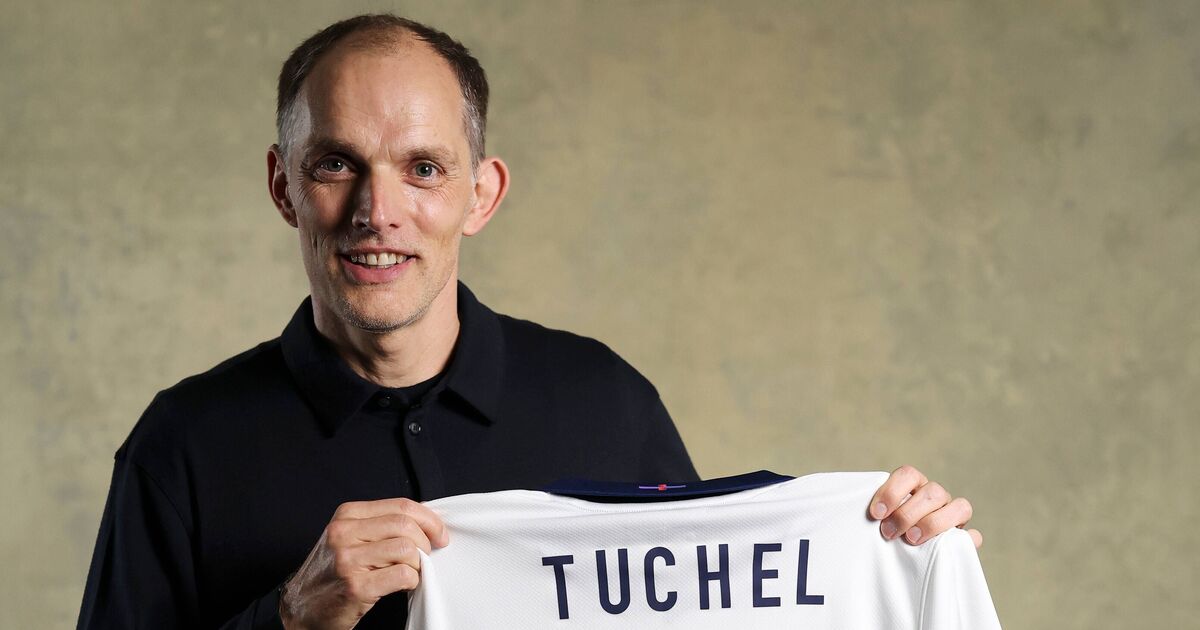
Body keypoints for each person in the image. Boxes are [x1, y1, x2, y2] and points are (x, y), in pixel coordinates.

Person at [77, 14, 980, 630]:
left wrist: (893, 561)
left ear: (482, 194)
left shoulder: (609, 403)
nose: (377, 212)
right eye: (337, 164)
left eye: (423, 169)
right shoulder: (179, 446)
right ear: (284, 187)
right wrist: (288, 619)